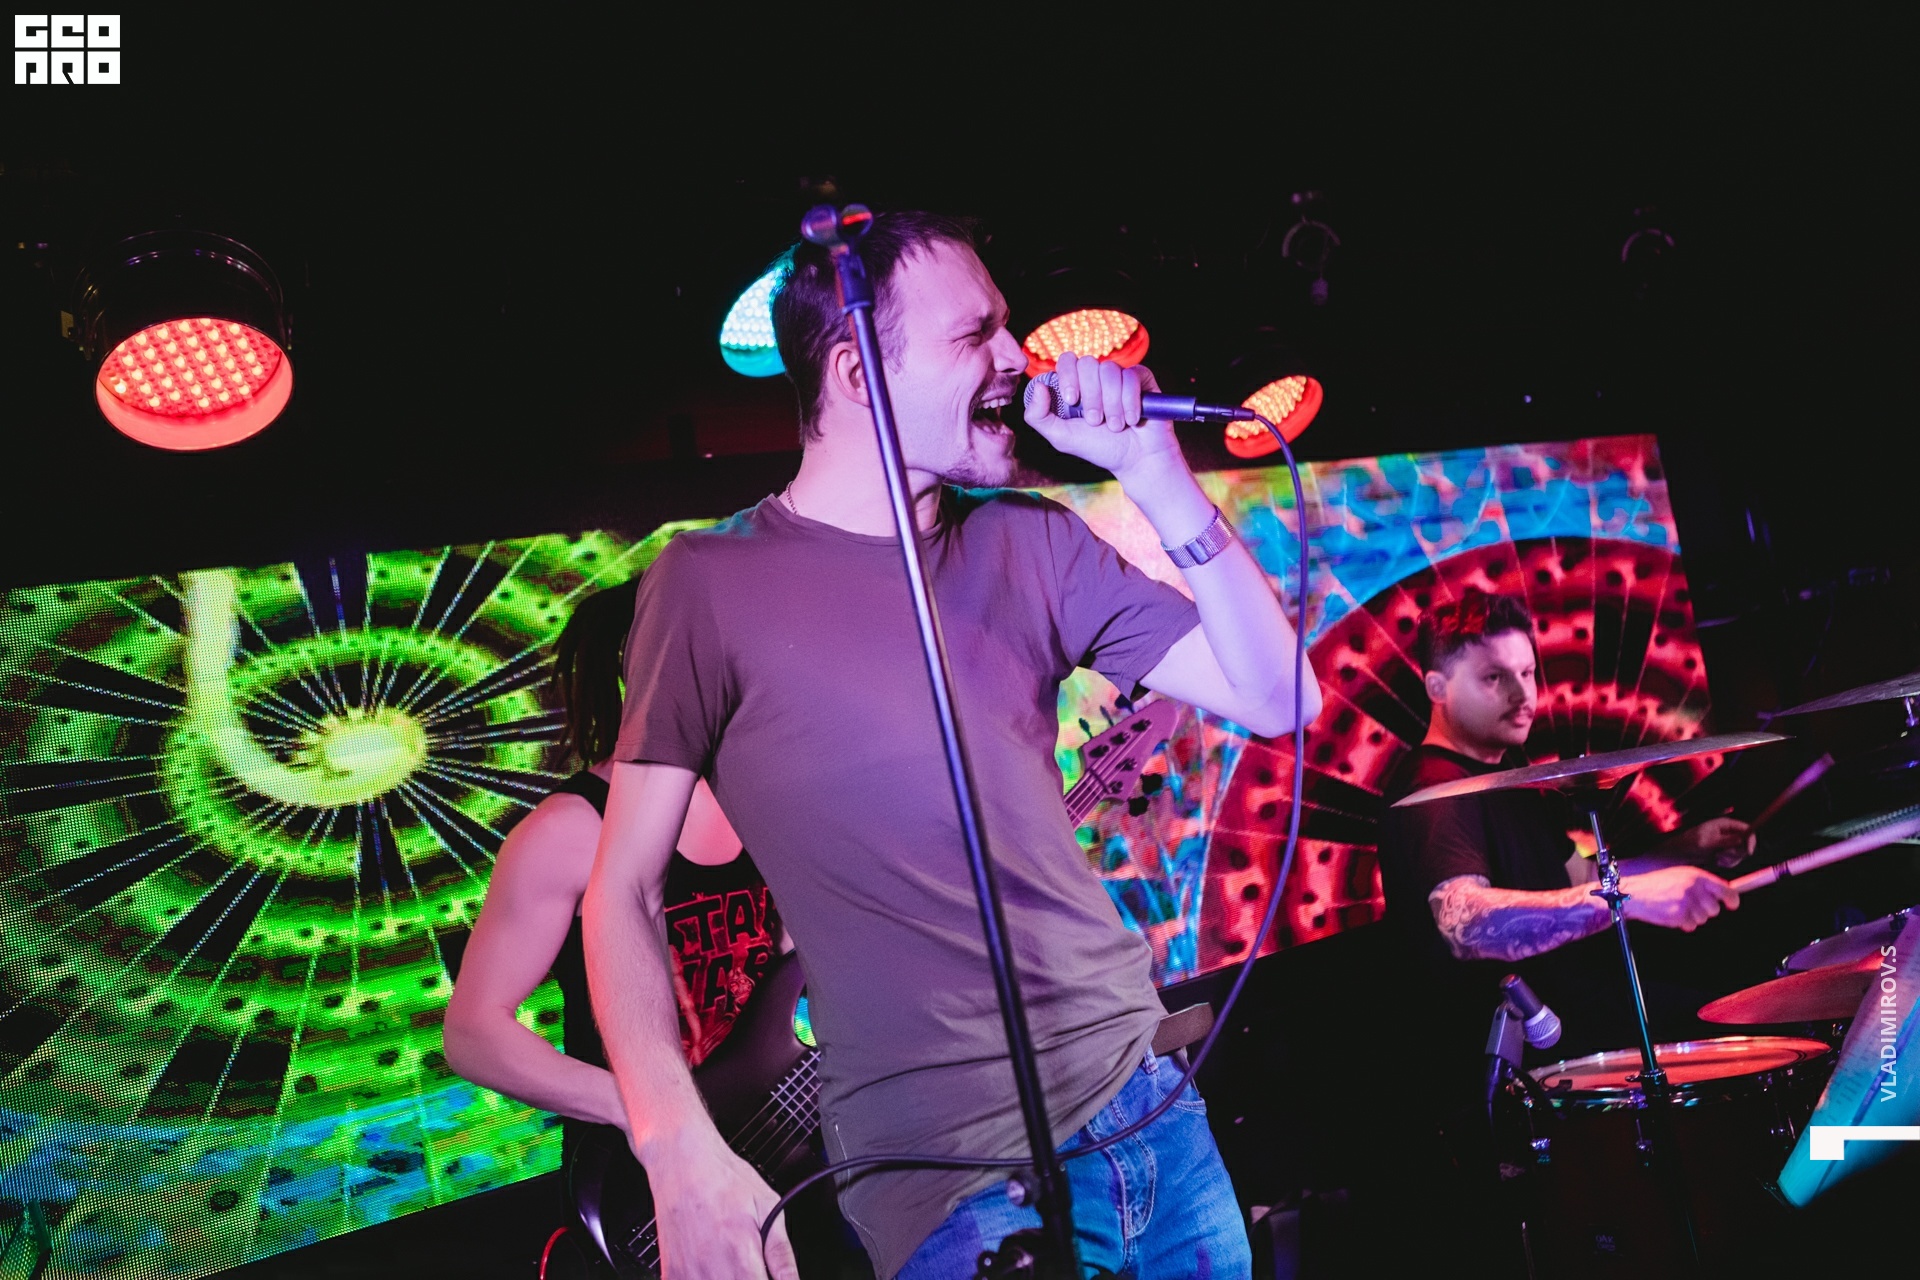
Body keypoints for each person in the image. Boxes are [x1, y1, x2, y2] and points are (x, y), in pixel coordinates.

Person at [582, 211, 1322, 1280]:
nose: (1018, 358)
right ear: (855, 373)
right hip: (950, 1181)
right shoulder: (705, 582)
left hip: (1148, 1109)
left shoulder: (1027, 537)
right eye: (976, 333)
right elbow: (622, 892)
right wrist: (675, 1145)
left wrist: (1155, 472)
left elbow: (1279, 694)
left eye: (1007, 326)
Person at [1370, 589, 1752, 1269]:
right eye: (1495, 677)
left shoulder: (1509, 774)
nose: (1525, 694)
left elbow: (1576, 878)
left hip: (1579, 1032)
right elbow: (1464, 924)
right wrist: (1627, 897)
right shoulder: (1433, 794)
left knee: (1737, 1003)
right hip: (1531, 1078)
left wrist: (1683, 851)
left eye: (1528, 672)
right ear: (1437, 687)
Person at [442, 578, 774, 1173]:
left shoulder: (761, 798)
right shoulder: (567, 830)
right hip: (638, 1176)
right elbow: (473, 1034)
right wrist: (650, 1113)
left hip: (776, 1142)